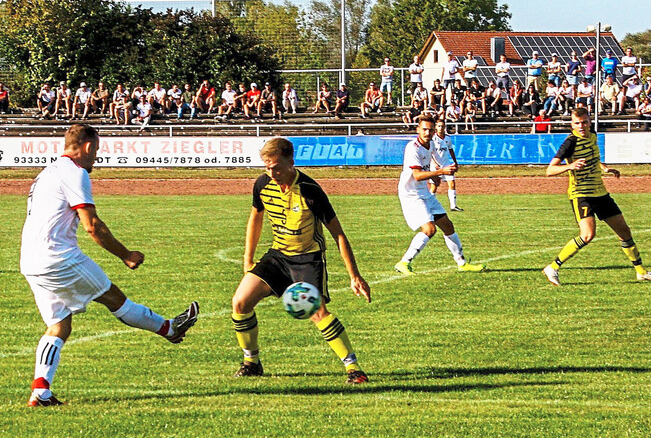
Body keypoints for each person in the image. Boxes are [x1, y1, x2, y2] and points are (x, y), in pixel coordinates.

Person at [20, 124, 198, 406]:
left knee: (58, 326)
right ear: (88, 147)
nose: (96, 158)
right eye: (97, 151)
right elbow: (93, 226)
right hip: (58, 258)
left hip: (30, 260)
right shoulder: (74, 172)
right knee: (114, 297)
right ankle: (169, 329)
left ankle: (40, 392)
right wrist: (126, 254)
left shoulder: (47, 173)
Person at [230, 137, 371, 383]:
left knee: (318, 313)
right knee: (240, 302)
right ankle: (251, 362)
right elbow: (256, 217)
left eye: (276, 167)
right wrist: (248, 259)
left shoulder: (310, 190)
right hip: (277, 256)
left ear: (291, 162)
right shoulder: (263, 184)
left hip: (307, 259)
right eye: (267, 167)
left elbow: (337, 233)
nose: (271, 173)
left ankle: (353, 368)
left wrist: (354, 275)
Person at [542, 108, 651, 285]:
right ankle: (553, 267)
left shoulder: (592, 135)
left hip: (601, 193)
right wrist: (570, 166)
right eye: (577, 123)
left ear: (589, 122)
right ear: (572, 125)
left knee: (624, 231)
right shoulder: (570, 143)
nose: (581, 126)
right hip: (582, 194)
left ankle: (641, 271)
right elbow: (550, 170)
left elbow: (592, 157)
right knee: (587, 235)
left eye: (584, 122)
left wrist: (605, 168)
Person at [394, 115, 484, 274]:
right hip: (411, 194)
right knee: (429, 229)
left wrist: (435, 175)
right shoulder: (412, 147)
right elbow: (416, 175)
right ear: (418, 130)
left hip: (423, 191)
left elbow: (430, 165)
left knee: (447, 226)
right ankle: (404, 262)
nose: (427, 133)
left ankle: (462, 263)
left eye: (430, 130)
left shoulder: (431, 145)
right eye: (424, 129)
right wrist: (440, 172)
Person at [428, 119, 463, 211]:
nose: (441, 128)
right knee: (434, 186)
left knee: (452, 183)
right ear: (436, 127)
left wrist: (455, 162)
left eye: (442, 126)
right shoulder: (433, 139)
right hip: (436, 166)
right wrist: (434, 162)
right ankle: (429, 206)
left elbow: (451, 150)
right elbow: (429, 152)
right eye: (439, 126)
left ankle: (453, 206)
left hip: (446, 164)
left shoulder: (447, 138)